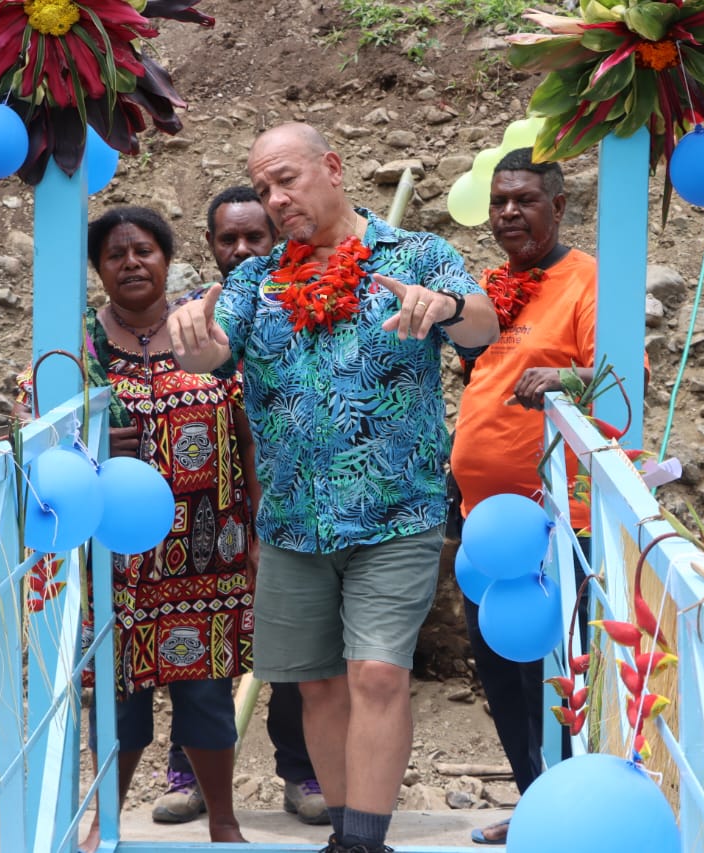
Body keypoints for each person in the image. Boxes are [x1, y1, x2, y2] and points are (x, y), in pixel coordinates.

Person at [167, 123, 500, 853]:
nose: (275, 198)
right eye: (262, 189)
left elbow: (484, 325)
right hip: (291, 524)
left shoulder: (417, 255)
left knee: (378, 673)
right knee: (315, 683)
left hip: (395, 515)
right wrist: (195, 339)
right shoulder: (255, 280)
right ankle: (346, 832)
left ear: (334, 168)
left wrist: (442, 307)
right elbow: (217, 346)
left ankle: (362, 843)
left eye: (286, 179)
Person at [17, 206, 256, 850]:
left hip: (207, 554)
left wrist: (257, 530)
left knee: (207, 695)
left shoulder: (206, 331)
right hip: (111, 563)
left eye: (144, 250)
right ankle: (105, 821)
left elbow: (250, 434)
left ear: (168, 259)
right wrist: (91, 447)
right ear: (97, 269)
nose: (131, 263)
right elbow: (31, 444)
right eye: (116, 254)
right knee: (119, 700)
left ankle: (225, 823)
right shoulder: (75, 349)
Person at [449, 147, 642, 845]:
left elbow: (623, 374)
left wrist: (562, 378)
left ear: (558, 206)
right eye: (499, 201)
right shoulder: (492, 285)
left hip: (567, 521)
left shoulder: (588, 278)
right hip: (485, 525)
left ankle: (581, 812)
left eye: (524, 199)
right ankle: (536, 802)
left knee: (564, 671)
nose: (508, 212)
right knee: (501, 669)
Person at [153, 186, 329, 828]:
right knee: (196, 642)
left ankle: (301, 772)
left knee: (292, 646)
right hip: (196, 517)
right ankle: (188, 775)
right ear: (210, 246)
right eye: (229, 239)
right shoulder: (185, 318)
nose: (242, 249)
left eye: (256, 237)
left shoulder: (307, 310)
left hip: (284, 508)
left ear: (278, 240)